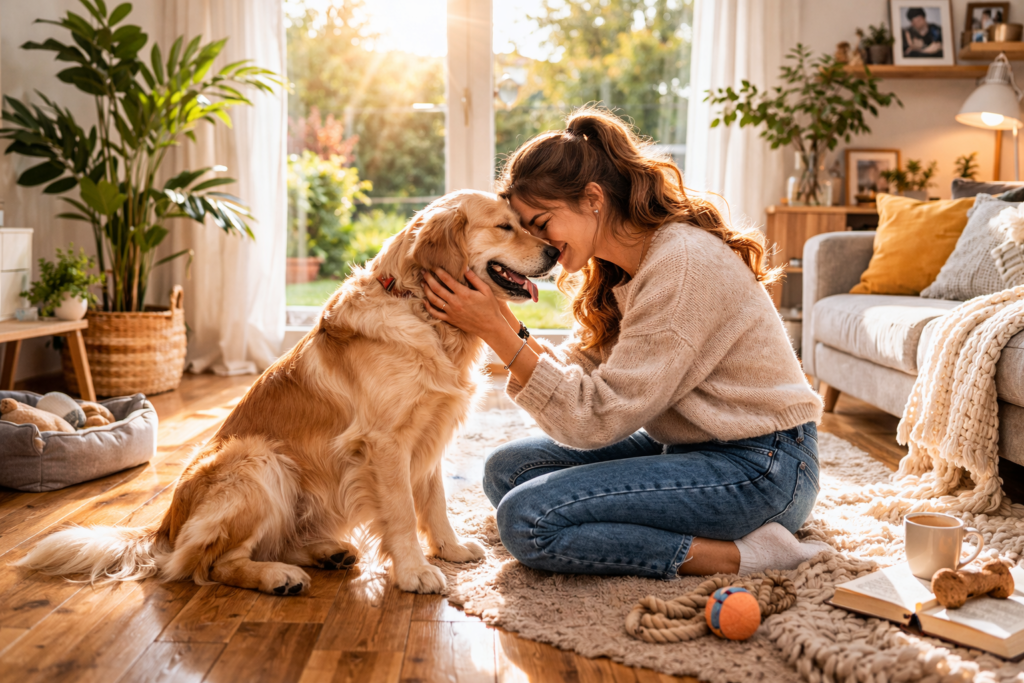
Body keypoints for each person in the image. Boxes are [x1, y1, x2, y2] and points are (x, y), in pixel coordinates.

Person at [422, 108, 829, 580]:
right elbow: (580, 375)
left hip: (763, 468)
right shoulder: (621, 266)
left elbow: (595, 418)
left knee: (527, 519)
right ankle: (658, 515)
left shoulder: (680, 265)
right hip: (690, 446)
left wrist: (496, 330)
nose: (540, 246)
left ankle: (751, 554)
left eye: (541, 222)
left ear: (592, 199)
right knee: (506, 470)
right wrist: (505, 322)